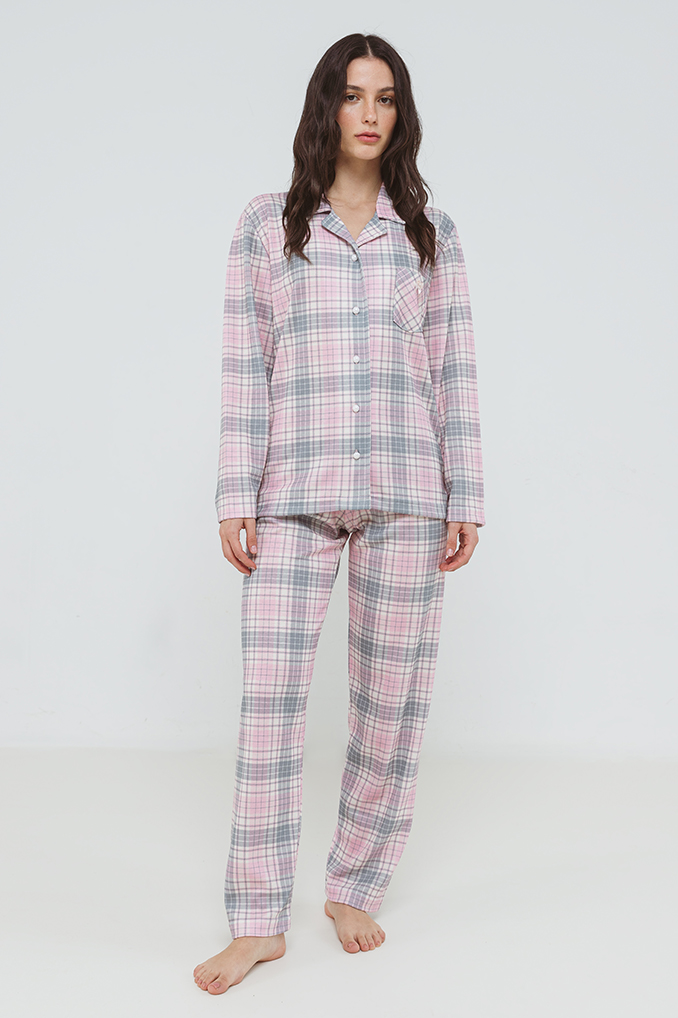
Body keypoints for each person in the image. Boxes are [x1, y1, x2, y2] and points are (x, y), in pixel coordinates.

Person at [194, 32, 485, 994]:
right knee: (270, 706)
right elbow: (245, 367)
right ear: (327, 106)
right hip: (293, 495)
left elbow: (453, 369)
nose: (369, 113)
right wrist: (236, 493)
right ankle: (257, 921)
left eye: (386, 97)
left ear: (401, 115)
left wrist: (466, 492)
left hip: (407, 491)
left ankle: (355, 884)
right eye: (353, 95)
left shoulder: (428, 232)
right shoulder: (267, 226)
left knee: (391, 704)